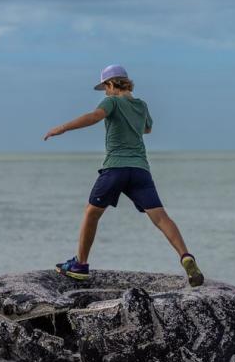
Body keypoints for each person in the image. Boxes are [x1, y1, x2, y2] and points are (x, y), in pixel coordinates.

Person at [43, 64, 204, 287]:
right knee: (160, 217)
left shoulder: (112, 102)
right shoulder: (141, 105)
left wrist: (63, 128)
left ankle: (80, 264)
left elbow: (94, 116)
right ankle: (186, 256)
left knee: (92, 214)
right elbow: (147, 129)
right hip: (140, 170)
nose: (105, 92)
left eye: (105, 88)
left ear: (111, 84)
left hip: (115, 168)